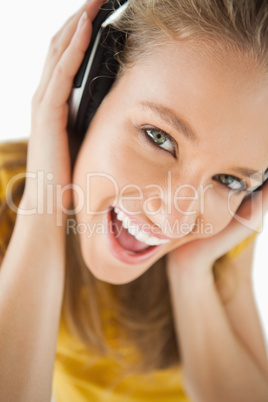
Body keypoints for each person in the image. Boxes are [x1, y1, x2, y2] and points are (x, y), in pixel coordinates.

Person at [0, 0, 268, 400]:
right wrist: (45, 200)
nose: (176, 221)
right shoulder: (8, 197)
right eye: (159, 138)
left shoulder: (223, 231)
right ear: (86, 96)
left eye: (228, 179)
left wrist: (191, 273)